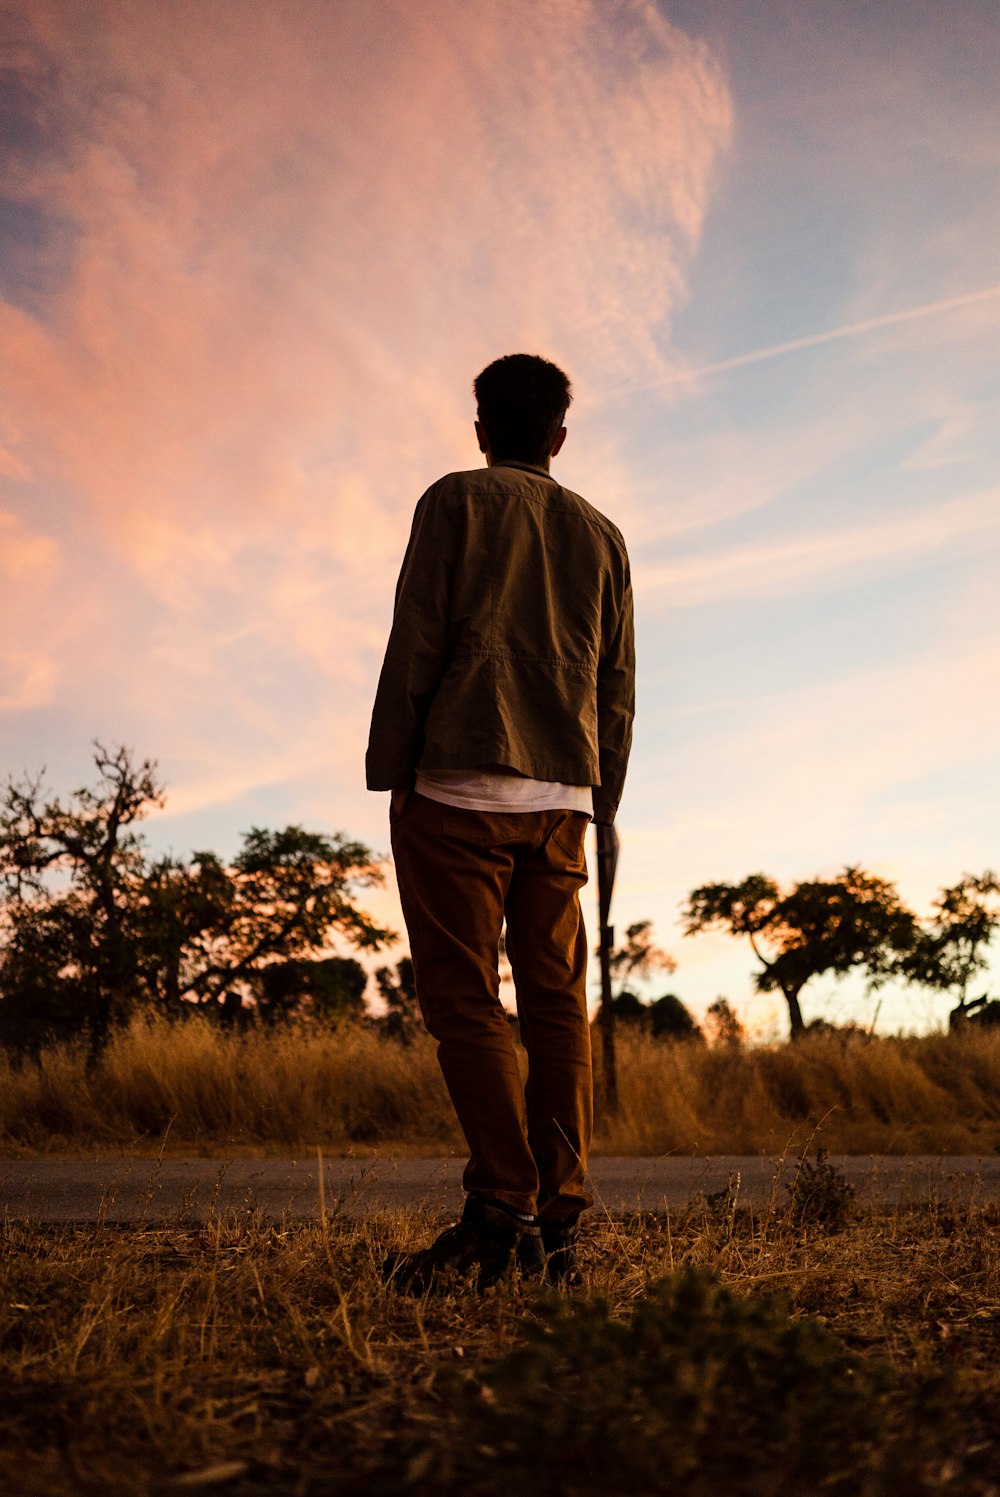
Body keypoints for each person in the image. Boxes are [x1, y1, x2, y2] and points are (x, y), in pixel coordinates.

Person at [366, 353, 634, 1291]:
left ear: (482, 428)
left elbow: (419, 637)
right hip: (563, 795)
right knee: (558, 1004)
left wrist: (393, 769)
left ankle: (500, 1212)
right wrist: (602, 805)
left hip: (458, 786)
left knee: (465, 999)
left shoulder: (455, 500)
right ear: (560, 436)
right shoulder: (603, 535)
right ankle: (558, 1218)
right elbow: (617, 686)